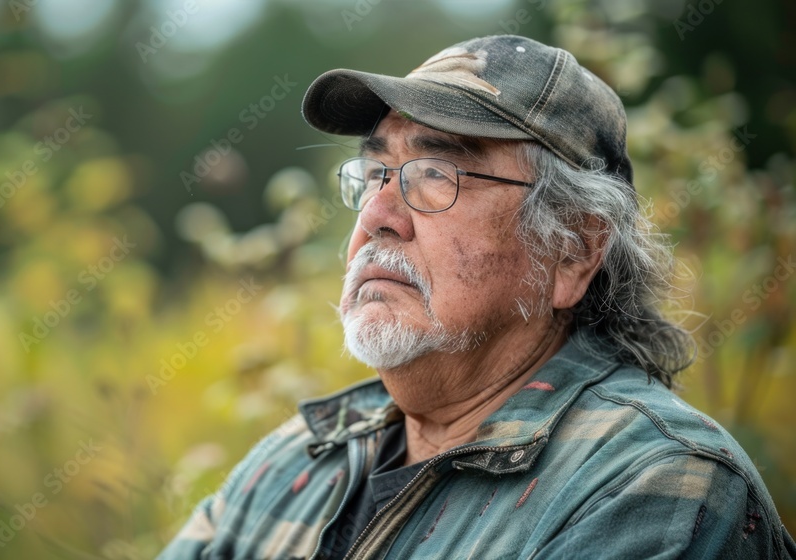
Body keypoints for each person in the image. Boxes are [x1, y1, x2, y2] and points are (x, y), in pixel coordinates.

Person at [158, 34, 796, 559]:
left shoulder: (649, 486)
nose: (378, 214)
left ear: (572, 250)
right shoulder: (295, 460)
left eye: (435, 174)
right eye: (375, 173)